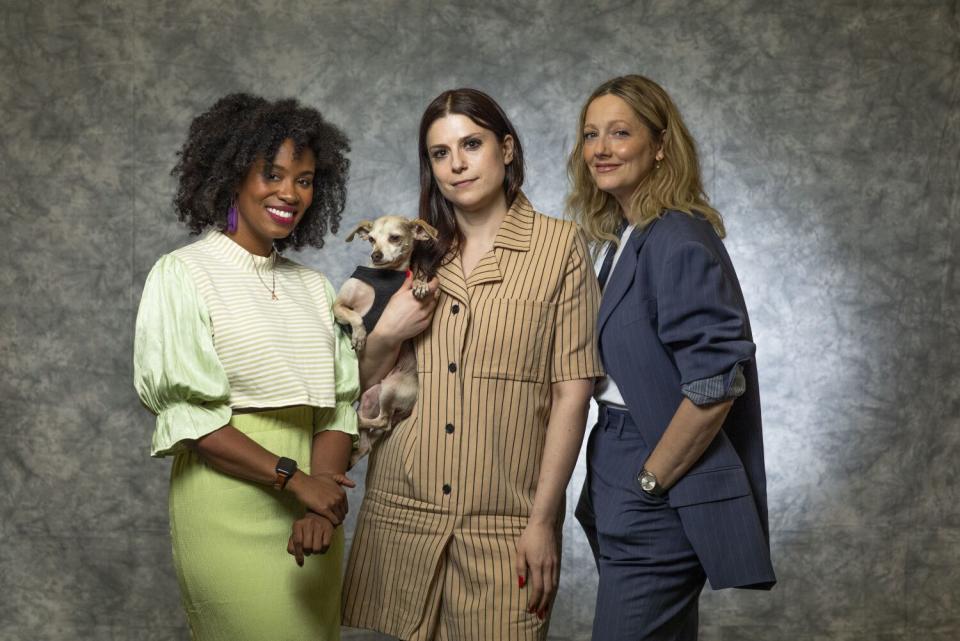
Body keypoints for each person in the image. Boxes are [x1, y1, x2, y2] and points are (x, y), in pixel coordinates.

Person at [341, 88, 603, 641]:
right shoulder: (412, 252)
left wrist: (542, 522)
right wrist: (387, 331)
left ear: (506, 149)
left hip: (504, 526)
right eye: (440, 153)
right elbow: (358, 384)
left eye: (471, 144)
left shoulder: (560, 248)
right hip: (403, 518)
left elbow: (572, 394)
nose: (456, 164)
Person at [133, 93, 360, 640]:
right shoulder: (183, 273)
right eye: (272, 174)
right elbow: (193, 418)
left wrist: (322, 500)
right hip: (227, 504)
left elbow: (339, 406)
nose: (290, 193)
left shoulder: (314, 286)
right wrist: (294, 479)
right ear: (232, 174)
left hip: (310, 513)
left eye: (304, 179)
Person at [569, 74, 777, 641]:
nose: (601, 149)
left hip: (658, 470)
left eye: (620, 133)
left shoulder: (678, 238)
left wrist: (652, 481)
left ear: (660, 146)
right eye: (591, 135)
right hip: (614, 457)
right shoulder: (627, 237)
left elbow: (715, 381)